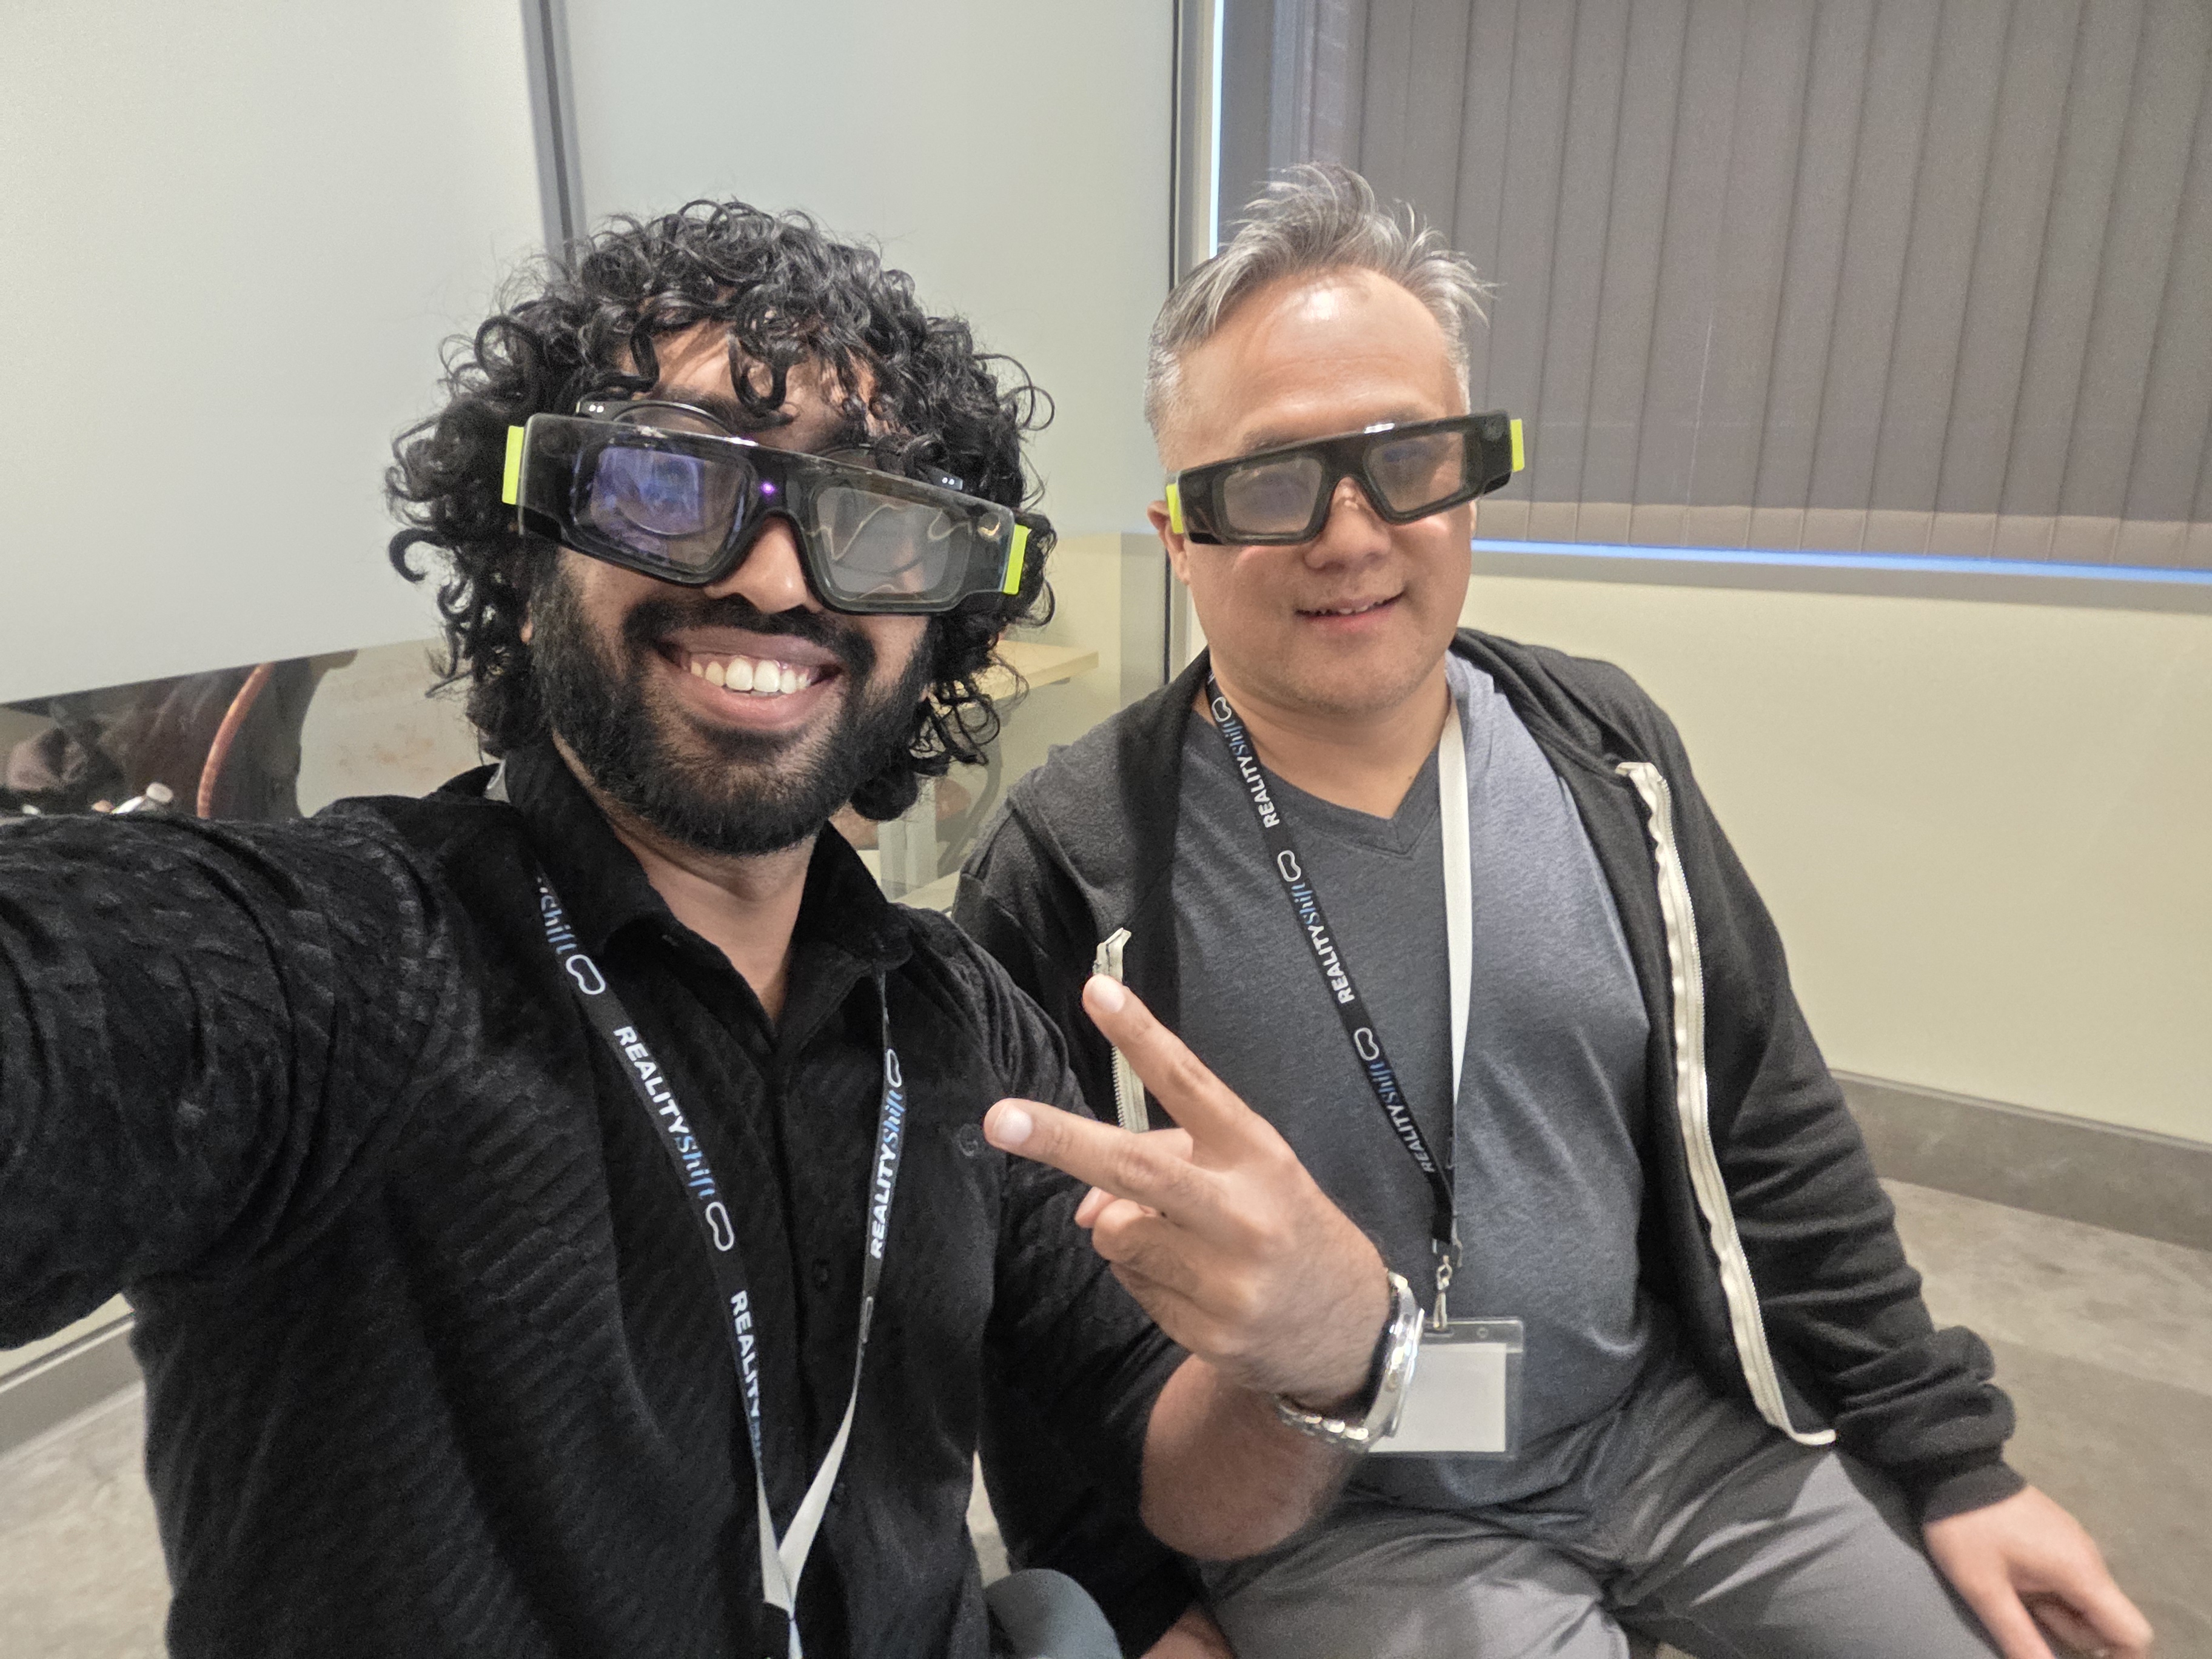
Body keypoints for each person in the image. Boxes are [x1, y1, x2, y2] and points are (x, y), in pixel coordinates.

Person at [0, 200, 1404, 1659]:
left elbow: (1178, 1471)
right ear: (530, 549)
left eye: (872, 517)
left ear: (938, 623)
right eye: (671, 482)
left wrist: (1320, 1365)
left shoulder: (967, 1031)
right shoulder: (344, 967)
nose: (777, 579)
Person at [956, 168, 2154, 1659]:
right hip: (1345, 1513)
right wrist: (1135, 1602)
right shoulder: (1073, 862)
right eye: (1270, 483)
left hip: (1675, 1438)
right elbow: (1027, 1304)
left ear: (1468, 482)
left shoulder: (1606, 754)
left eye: (1408, 461)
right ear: (1179, 535)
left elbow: (1770, 1125)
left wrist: (1956, 1461)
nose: (1351, 535)